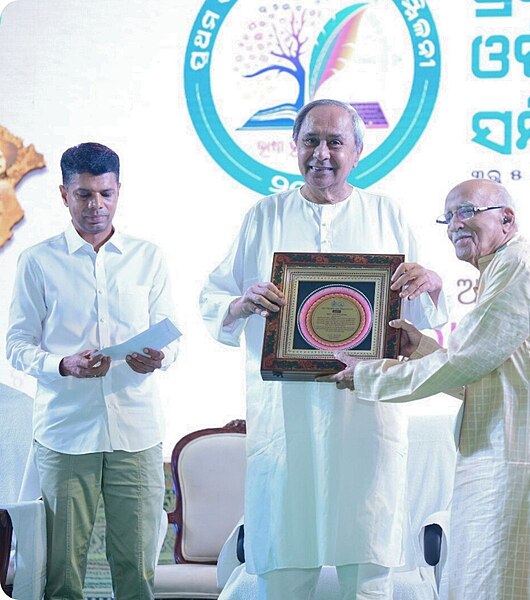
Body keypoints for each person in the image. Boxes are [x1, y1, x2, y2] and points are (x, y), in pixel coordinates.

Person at [199, 99, 448, 599]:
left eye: (335, 142)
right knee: (286, 559)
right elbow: (213, 300)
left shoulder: (385, 213)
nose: (322, 154)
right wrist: (243, 302)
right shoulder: (264, 216)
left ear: (358, 151)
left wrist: (433, 283)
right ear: (293, 146)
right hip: (286, 415)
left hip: (365, 413)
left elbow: (415, 321)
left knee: (367, 562)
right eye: (311, 140)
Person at [329, 179, 530, 600]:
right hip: (510, 456)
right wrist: (418, 349)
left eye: (466, 211)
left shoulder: (521, 266)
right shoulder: (501, 271)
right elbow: (483, 376)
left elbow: (463, 362)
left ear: (506, 218)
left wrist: (368, 375)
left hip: (529, 463)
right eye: (448, 216)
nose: (455, 224)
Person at [6, 142, 178, 600]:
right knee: (61, 569)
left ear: (119, 190)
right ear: (64, 194)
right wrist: (62, 364)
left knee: (138, 567)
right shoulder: (37, 262)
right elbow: (16, 347)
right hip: (65, 433)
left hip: (136, 431)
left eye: (105, 193)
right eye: (84, 195)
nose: (96, 205)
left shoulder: (149, 258)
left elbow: (171, 338)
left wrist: (158, 358)